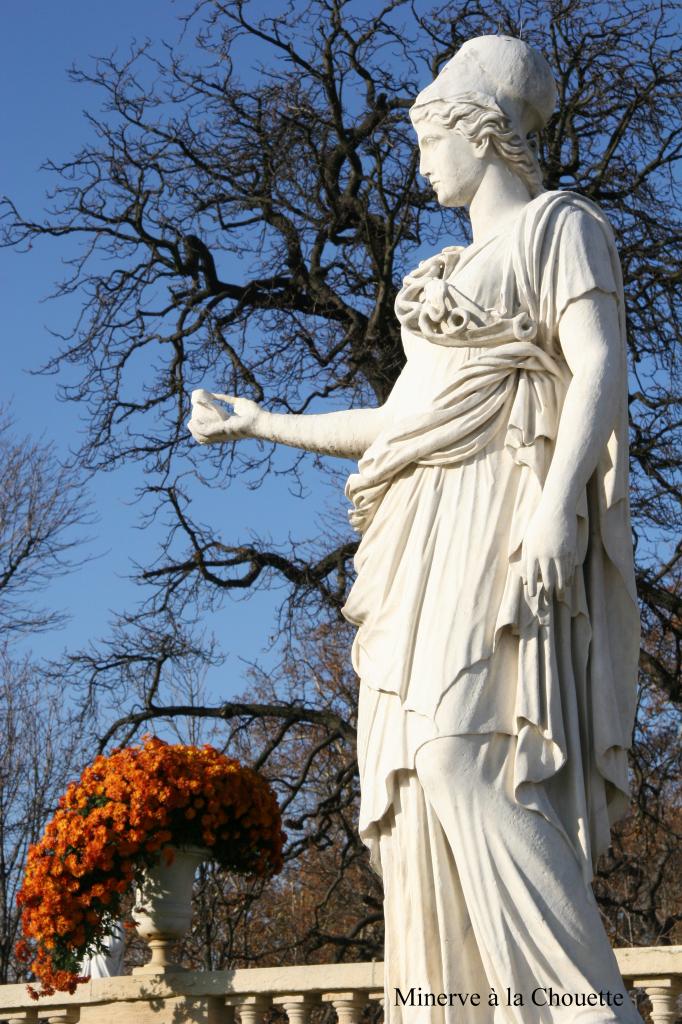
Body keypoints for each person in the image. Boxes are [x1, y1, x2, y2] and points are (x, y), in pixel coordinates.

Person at [188, 35, 642, 1023]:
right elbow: (397, 424)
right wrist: (259, 420)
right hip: (424, 525)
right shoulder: (440, 281)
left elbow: (600, 363)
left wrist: (561, 502)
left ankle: (585, 1003)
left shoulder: (560, 228)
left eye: (431, 137)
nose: (420, 160)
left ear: (483, 134)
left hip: (502, 508)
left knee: (463, 751)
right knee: (426, 782)